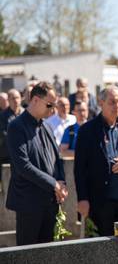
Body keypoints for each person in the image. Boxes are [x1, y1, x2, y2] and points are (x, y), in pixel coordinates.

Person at [74, 85, 118, 236]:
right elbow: (79, 168)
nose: (117, 106)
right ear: (101, 103)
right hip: (101, 200)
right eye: (112, 102)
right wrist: (82, 199)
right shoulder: (87, 130)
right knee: (105, 248)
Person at [6, 82, 68, 245]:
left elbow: (57, 157)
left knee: (47, 253)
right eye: (50, 104)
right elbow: (23, 166)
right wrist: (53, 184)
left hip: (50, 202)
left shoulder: (46, 126)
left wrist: (62, 183)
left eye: (54, 105)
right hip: (29, 204)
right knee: (28, 254)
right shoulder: (16, 126)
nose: (53, 109)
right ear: (35, 100)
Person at [0, 89, 24, 188]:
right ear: (8, 100)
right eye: (13, 98)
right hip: (7, 157)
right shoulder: (2, 116)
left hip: (23, 156)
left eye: (17, 98)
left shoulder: (26, 114)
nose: (16, 100)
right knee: (7, 186)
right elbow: (3, 134)